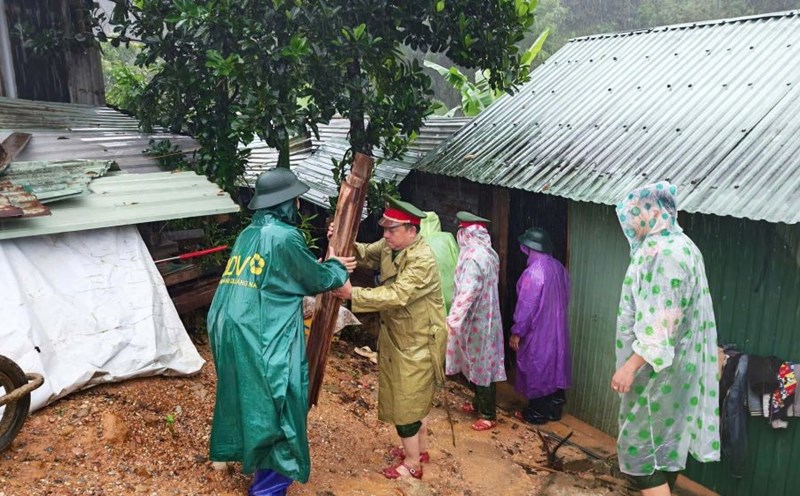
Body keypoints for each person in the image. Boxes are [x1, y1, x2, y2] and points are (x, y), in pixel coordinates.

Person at [207, 168, 356, 496]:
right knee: (283, 402)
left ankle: (253, 460)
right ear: (288, 203)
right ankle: (267, 488)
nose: (300, 205)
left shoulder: (249, 233)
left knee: (249, 397)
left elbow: (286, 272)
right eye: (297, 200)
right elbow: (318, 280)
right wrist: (337, 265)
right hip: (260, 330)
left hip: (227, 324)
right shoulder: (284, 236)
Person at [611, 182, 720, 495]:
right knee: (665, 446)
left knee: (637, 450)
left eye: (634, 213)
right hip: (677, 368)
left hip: (659, 370)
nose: (629, 222)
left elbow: (662, 319)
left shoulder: (664, 253)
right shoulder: (682, 245)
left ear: (653, 211)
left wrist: (631, 366)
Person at [332, 195, 446, 480]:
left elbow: (398, 294)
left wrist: (352, 294)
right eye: (385, 229)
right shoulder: (390, 246)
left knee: (407, 403)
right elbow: (366, 253)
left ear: (412, 231)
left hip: (419, 340)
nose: (385, 235)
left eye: (392, 230)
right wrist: (341, 240)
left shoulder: (422, 260)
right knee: (412, 397)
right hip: (401, 334)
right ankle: (420, 449)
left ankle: (411, 465)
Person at [445, 211, 506, 431]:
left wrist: (453, 320)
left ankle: (488, 414)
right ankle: (477, 403)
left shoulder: (471, 257)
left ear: (465, 234)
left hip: (476, 319)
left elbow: (468, 292)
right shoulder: (489, 253)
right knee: (479, 362)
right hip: (488, 316)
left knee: (481, 366)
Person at [509, 227, 571, 425]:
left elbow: (526, 307)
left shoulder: (533, 274)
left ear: (528, 248)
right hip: (557, 327)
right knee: (555, 366)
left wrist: (517, 332)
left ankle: (536, 413)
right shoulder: (559, 268)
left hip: (539, 329)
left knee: (537, 367)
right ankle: (554, 410)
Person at [419, 211, 459, 314]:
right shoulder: (447, 237)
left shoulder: (417, 241)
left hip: (427, 294)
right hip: (450, 290)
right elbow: (458, 258)